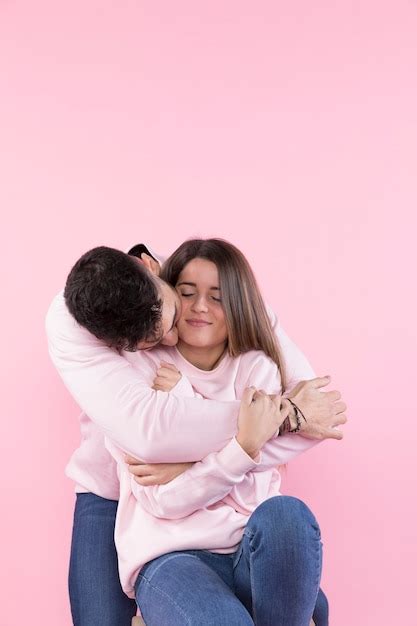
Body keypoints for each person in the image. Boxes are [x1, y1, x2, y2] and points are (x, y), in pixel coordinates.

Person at [45, 243, 346, 626]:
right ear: (127, 345)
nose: (171, 337)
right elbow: (151, 448)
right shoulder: (98, 341)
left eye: (171, 318)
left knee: (286, 517)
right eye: (153, 338)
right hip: (131, 508)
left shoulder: (253, 359)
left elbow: (313, 413)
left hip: (232, 535)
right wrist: (251, 438)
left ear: (153, 269)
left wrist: (199, 459)